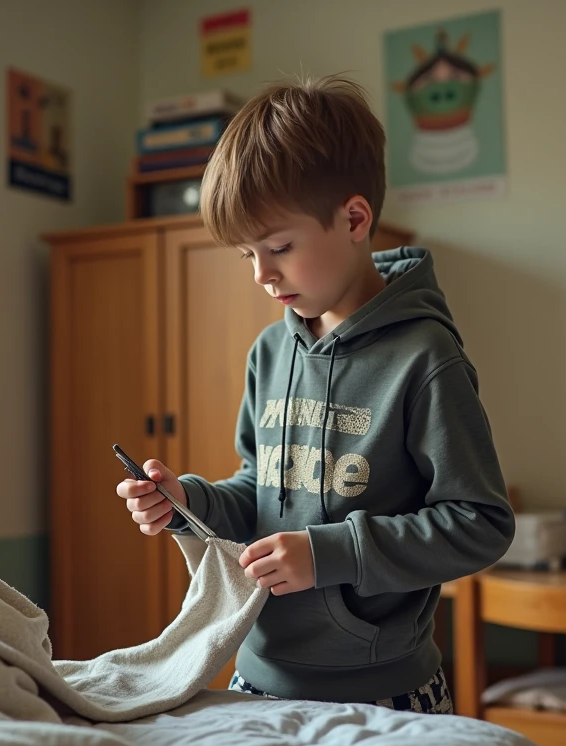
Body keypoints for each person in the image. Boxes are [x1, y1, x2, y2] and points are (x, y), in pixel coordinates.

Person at [116, 75, 514, 714]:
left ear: (355, 219)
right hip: (256, 677)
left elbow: (481, 524)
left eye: (278, 247)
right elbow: (260, 493)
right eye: (247, 254)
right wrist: (190, 501)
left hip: (383, 689)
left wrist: (331, 554)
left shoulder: (424, 358)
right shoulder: (270, 354)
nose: (261, 274)